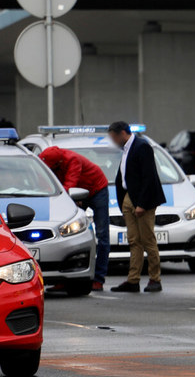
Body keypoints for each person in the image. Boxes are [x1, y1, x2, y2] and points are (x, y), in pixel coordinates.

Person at [39, 147, 111, 291]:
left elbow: (69, 184)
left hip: (97, 190)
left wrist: (70, 199)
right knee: (66, 233)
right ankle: (64, 279)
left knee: (102, 235)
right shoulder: (50, 162)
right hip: (78, 192)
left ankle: (98, 279)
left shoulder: (73, 160)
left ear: (58, 163)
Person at [107, 122, 166, 293]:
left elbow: (149, 177)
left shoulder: (142, 147)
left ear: (122, 133)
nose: (113, 141)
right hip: (128, 197)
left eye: (114, 137)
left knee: (148, 240)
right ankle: (133, 280)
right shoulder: (125, 149)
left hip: (141, 200)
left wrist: (142, 203)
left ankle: (155, 279)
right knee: (134, 242)